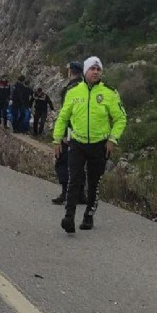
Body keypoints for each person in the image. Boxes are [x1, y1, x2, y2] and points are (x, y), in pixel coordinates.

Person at [53, 56, 127, 233]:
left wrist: (112, 139)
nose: (95, 72)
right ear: (85, 71)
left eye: (98, 69)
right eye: (92, 69)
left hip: (99, 145)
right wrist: (57, 139)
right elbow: (63, 117)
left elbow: (120, 118)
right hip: (77, 142)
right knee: (74, 179)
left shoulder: (109, 93)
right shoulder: (73, 91)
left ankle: (88, 215)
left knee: (94, 182)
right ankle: (69, 217)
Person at [52, 62, 87, 205]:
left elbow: (67, 113)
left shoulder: (70, 89)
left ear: (70, 72)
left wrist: (65, 134)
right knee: (79, 163)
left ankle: (66, 192)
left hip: (71, 132)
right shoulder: (87, 88)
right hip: (84, 133)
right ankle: (80, 194)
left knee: (63, 161)